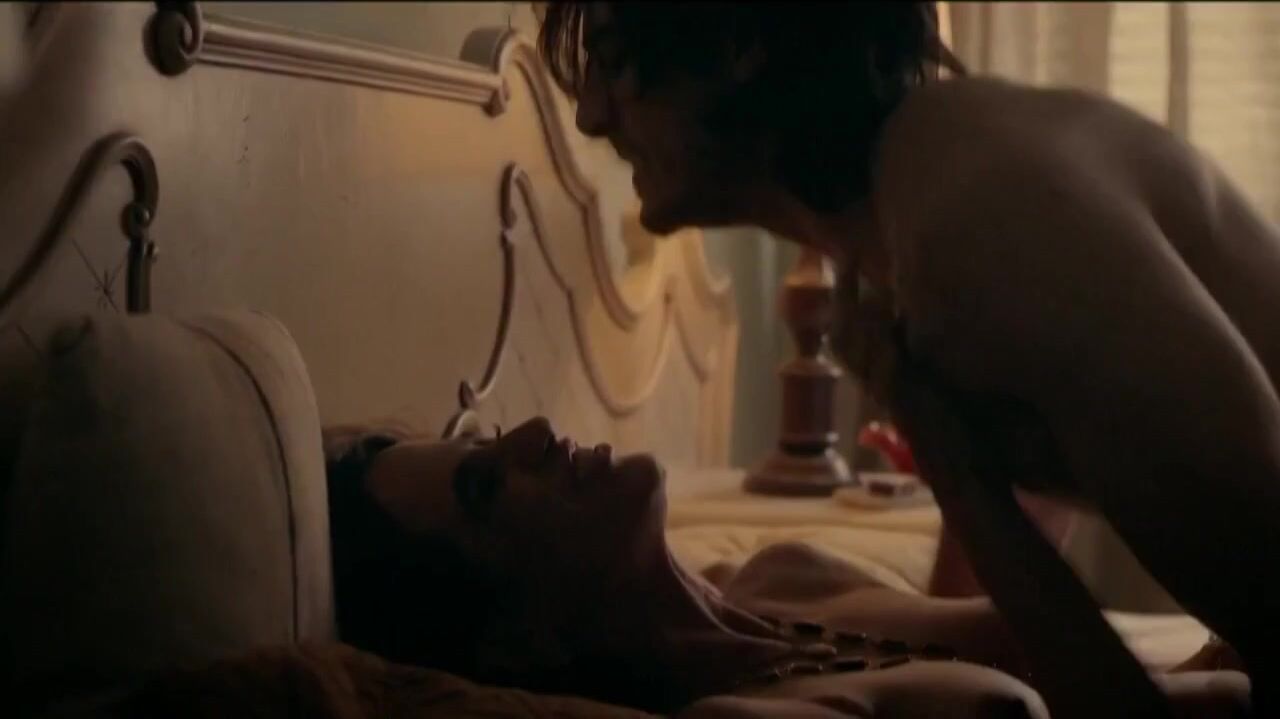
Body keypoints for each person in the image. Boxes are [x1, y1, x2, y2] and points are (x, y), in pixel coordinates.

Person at [535, 2, 1280, 716]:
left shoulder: (979, 225)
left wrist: (957, 471)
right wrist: (957, 464)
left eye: (615, 62)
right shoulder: (930, 197)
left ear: (738, 47)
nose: (591, 115)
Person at [324, 417, 1248, 718]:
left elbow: (1012, 636)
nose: (534, 431)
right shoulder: (743, 715)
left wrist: (994, 463)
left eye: (489, 437)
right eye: (486, 484)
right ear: (515, 636)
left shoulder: (780, 576)